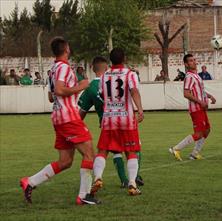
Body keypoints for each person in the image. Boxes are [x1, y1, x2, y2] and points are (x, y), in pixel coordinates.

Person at [20, 37, 100, 205]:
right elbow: (59, 90)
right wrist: (81, 86)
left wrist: (69, 90)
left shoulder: (53, 69)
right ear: (67, 49)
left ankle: (30, 181)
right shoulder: (63, 67)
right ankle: (84, 196)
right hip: (68, 117)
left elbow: (51, 96)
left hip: (58, 117)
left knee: (65, 162)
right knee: (89, 154)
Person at [78, 56, 144, 188]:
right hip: (126, 119)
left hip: (107, 120)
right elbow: (134, 91)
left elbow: (82, 111)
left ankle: (109, 178)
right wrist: (140, 109)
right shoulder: (129, 74)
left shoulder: (93, 86)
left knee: (107, 150)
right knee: (132, 150)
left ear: (92, 68)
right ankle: (133, 179)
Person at [169, 54, 216, 161]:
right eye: (191, 61)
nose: (194, 62)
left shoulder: (196, 75)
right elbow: (186, 93)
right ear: (186, 64)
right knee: (199, 134)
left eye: (194, 60)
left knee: (207, 130)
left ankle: (194, 153)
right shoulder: (189, 76)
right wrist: (200, 102)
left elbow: (200, 90)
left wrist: (209, 96)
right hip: (196, 109)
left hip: (201, 108)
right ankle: (175, 149)